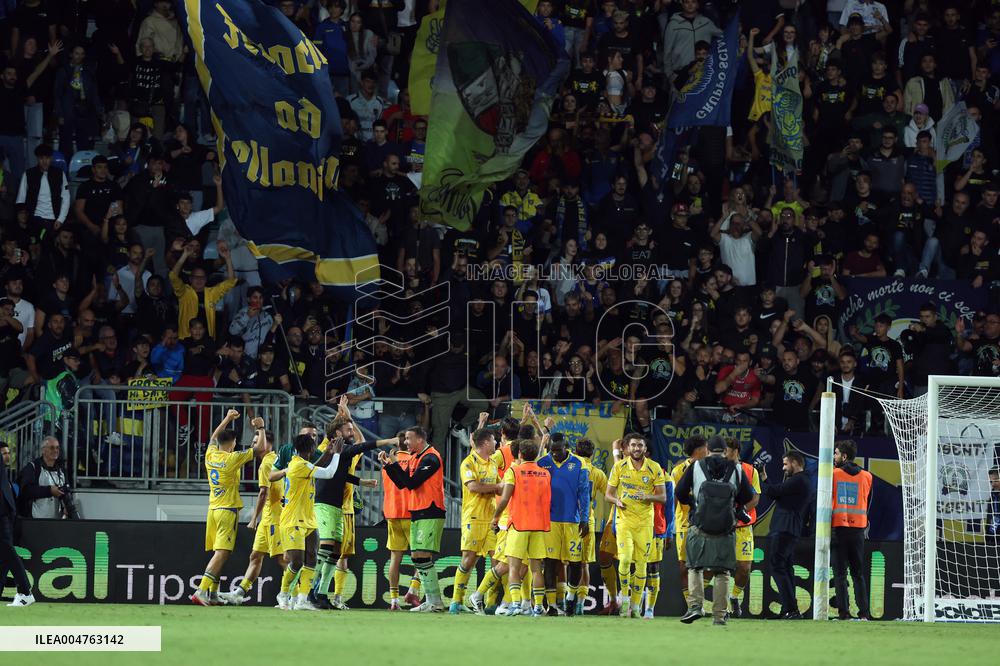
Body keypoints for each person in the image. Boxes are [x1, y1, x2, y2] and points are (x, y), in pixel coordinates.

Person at [190, 410, 271, 606]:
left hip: (213, 510)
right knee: (222, 553)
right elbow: (259, 449)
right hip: (227, 511)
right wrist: (260, 427)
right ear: (232, 443)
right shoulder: (231, 458)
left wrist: (226, 418)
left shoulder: (211, 454)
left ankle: (213, 593)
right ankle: (201, 590)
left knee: (219, 552)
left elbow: (213, 436)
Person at [675, 435, 755, 626]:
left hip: (700, 527)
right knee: (723, 572)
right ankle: (719, 615)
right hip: (726, 528)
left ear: (708, 449)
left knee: (694, 567)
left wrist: (694, 504)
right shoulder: (736, 467)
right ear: (725, 451)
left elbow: (679, 493)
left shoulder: (696, 466)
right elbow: (747, 496)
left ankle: (695, 606)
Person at [380, 426, 447, 612]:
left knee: (422, 555)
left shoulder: (431, 457)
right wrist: (389, 465)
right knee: (418, 557)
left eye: (409, 439)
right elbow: (402, 483)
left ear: (420, 439)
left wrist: (394, 465)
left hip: (431, 510)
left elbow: (412, 482)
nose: (406, 442)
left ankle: (435, 601)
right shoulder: (416, 458)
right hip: (417, 511)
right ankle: (432, 600)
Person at [275, 430, 342, 611]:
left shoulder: (301, 464)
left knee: (311, 558)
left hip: (308, 519)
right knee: (296, 562)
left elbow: (313, 468)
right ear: (311, 449)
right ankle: (283, 593)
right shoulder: (298, 466)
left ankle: (302, 599)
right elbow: (328, 473)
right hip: (293, 519)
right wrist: (336, 453)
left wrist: (328, 453)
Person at [217, 427, 283, 606]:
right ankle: (240, 592)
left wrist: (254, 517)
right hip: (269, 517)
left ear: (267, 444)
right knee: (255, 555)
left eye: (256, 442)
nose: (254, 445)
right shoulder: (273, 460)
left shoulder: (267, 463)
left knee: (282, 559)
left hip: (275, 518)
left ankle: (299, 594)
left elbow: (263, 493)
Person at [606, 432, 667, 619]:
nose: (636, 448)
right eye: (633, 445)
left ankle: (636, 606)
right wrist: (616, 501)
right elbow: (608, 494)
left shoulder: (654, 468)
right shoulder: (619, 467)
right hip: (624, 521)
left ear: (645, 449)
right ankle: (624, 600)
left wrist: (647, 497)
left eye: (640, 445)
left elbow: (663, 497)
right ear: (627, 448)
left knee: (641, 566)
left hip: (645, 524)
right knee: (624, 560)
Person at [491, 438, 551, 617]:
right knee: (536, 569)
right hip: (539, 525)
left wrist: (495, 517)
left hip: (519, 525)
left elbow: (505, 498)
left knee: (514, 568)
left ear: (519, 454)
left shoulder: (514, 471)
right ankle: (538, 606)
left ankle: (515, 604)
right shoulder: (545, 474)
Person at [537, 432, 590, 616]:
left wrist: (585, 518)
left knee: (576, 563)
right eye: (552, 451)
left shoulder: (579, 464)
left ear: (566, 448)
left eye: (558, 451)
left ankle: (570, 597)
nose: (555, 454)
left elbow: (584, 493)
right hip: (550, 520)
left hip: (572, 521)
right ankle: (551, 605)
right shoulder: (543, 463)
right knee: (550, 562)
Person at [451, 421, 502, 614]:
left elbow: (500, 486)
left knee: (496, 561)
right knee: (468, 559)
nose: (496, 442)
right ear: (486, 443)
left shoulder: (493, 463)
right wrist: (497, 488)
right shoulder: (469, 462)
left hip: (491, 520)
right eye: (494, 439)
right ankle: (457, 601)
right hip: (473, 517)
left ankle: (489, 604)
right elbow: (472, 487)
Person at [760, 450, 812, 619]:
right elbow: (778, 494)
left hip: (784, 529)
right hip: (789, 529)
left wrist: (762, 480)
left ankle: (790, 609)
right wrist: (767, 481)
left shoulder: (799, 480)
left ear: (795, 463)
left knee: (777, 567)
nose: (783, 468)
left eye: (785, 464)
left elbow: (774, 491)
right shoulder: (801, 481)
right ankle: (790, 609)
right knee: (786, 569)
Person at [831, 440, 873, 621]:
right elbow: (868, 503)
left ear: (844, 456)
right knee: (858, 574)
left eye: (836, 453)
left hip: (838, 529)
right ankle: (864, 613)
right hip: (858, 531)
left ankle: (844, 613)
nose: (834, 457)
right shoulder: (867, 476)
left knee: (840, 575)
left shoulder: (832, 474)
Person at [671, 434, 708, 610]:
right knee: (685, 566)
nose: (708, 451)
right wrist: (670, 526)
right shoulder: (678, 471)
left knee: (711, 564)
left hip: (707, 524)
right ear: (699, 450)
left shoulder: (711, 468)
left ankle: (698, 596)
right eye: (706, 448)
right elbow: (674, 501)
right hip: (685, 523)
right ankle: (692, 605)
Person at [724, 438, 761, 617]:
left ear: (736, 451)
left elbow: (756, 498)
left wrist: (741, 510)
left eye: (727, 451)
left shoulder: (750, 470)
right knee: (717, 568)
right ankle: (719, 606)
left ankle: (734, 596)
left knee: (744, 568)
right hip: (722, 527)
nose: (724, 454)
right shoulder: (717, 469)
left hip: (743, 527)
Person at [382, 432, 415, 610]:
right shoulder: (415, 460)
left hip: (392, 513)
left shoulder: (387, 462)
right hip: (411, 513)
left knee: (395, 558)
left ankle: (394, 600)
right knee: (422, 555)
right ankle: (413, 590)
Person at [1, 441, 35, 607]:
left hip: (3, 518)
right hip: (5, 517)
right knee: (5, 556)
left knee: (8, 554)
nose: (7, 456)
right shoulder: (4, 476)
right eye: (4, 453)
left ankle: (25, 592)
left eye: (8, 453)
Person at [16, 436, 70, 519]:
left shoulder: (61, 469)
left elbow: (66, 489)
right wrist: (49, 490)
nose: (55, 451)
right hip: (36, 520)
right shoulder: (33, 467)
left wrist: (67, 505)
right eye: (52, 448)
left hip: (57, 520)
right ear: (43, 450)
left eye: (57, 448)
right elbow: (25, 490)